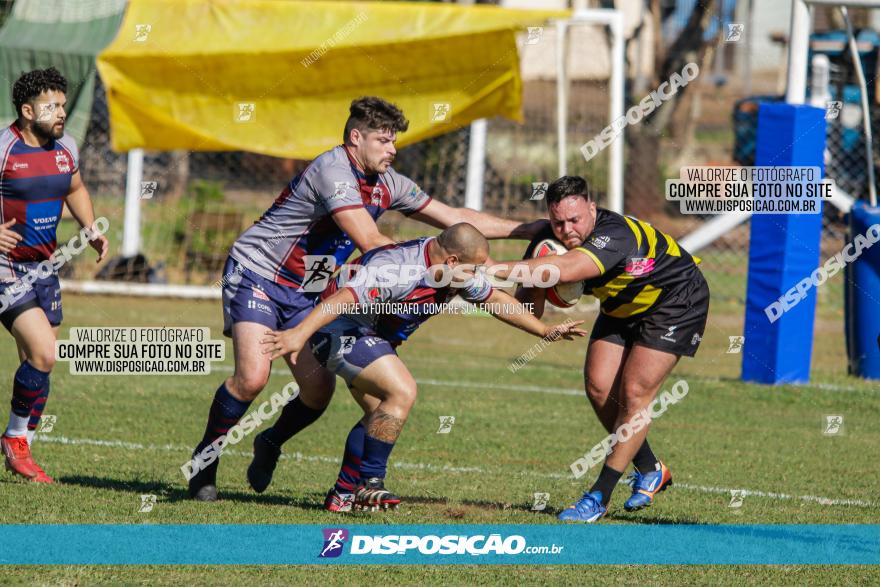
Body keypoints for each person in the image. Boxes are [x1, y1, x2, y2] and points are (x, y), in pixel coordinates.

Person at [188, 96, 544, 500]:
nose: (392, 149)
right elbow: (370, 240)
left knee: (317, 393)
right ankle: (204, 464)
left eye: (394, 142)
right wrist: (426, 262)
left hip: (308, 287)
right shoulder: (333, 170)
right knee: (253, 378)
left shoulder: (388, 183)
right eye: (383, 140)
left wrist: (530, 228)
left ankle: (270, 441)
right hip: (259, 272)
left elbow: (456, 220)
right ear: (356, 138)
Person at [262, 223, 586, 510]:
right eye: (474, 270)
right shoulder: (397, 269)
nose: (476, 277)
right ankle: (369, 484)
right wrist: (297, 334)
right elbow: (342, 299)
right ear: (453, 261)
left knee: (381, 414)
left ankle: (340, 493)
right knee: (401, 391)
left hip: (371, 336)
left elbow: (494, 300)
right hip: (337, 329)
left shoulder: (451, 268)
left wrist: (544, 331)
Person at [490, 176, 709, 522]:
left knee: (635, 393)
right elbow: (529, 308)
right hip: (623, 304)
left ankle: (598, 497)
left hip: (675, 299)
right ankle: (650, 467)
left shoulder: (614, 234)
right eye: (558, 222)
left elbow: (570, 268)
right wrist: (528, 275)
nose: (567, 230)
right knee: (598, 387)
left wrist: (488, 270)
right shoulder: (551, 240)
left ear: (592, 208)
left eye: (575, 220)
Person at [0, 67, 109, 483]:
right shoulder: (4, 149)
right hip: (7, 270)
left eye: (63, 104)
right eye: (52, 106)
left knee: (36, 362)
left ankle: (22, 443)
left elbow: (74, 188)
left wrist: (90, 226)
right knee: (45, 352)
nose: (61, 112)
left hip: (45, 269)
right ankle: (14, 440)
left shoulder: (66, 147)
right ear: (28, 111)